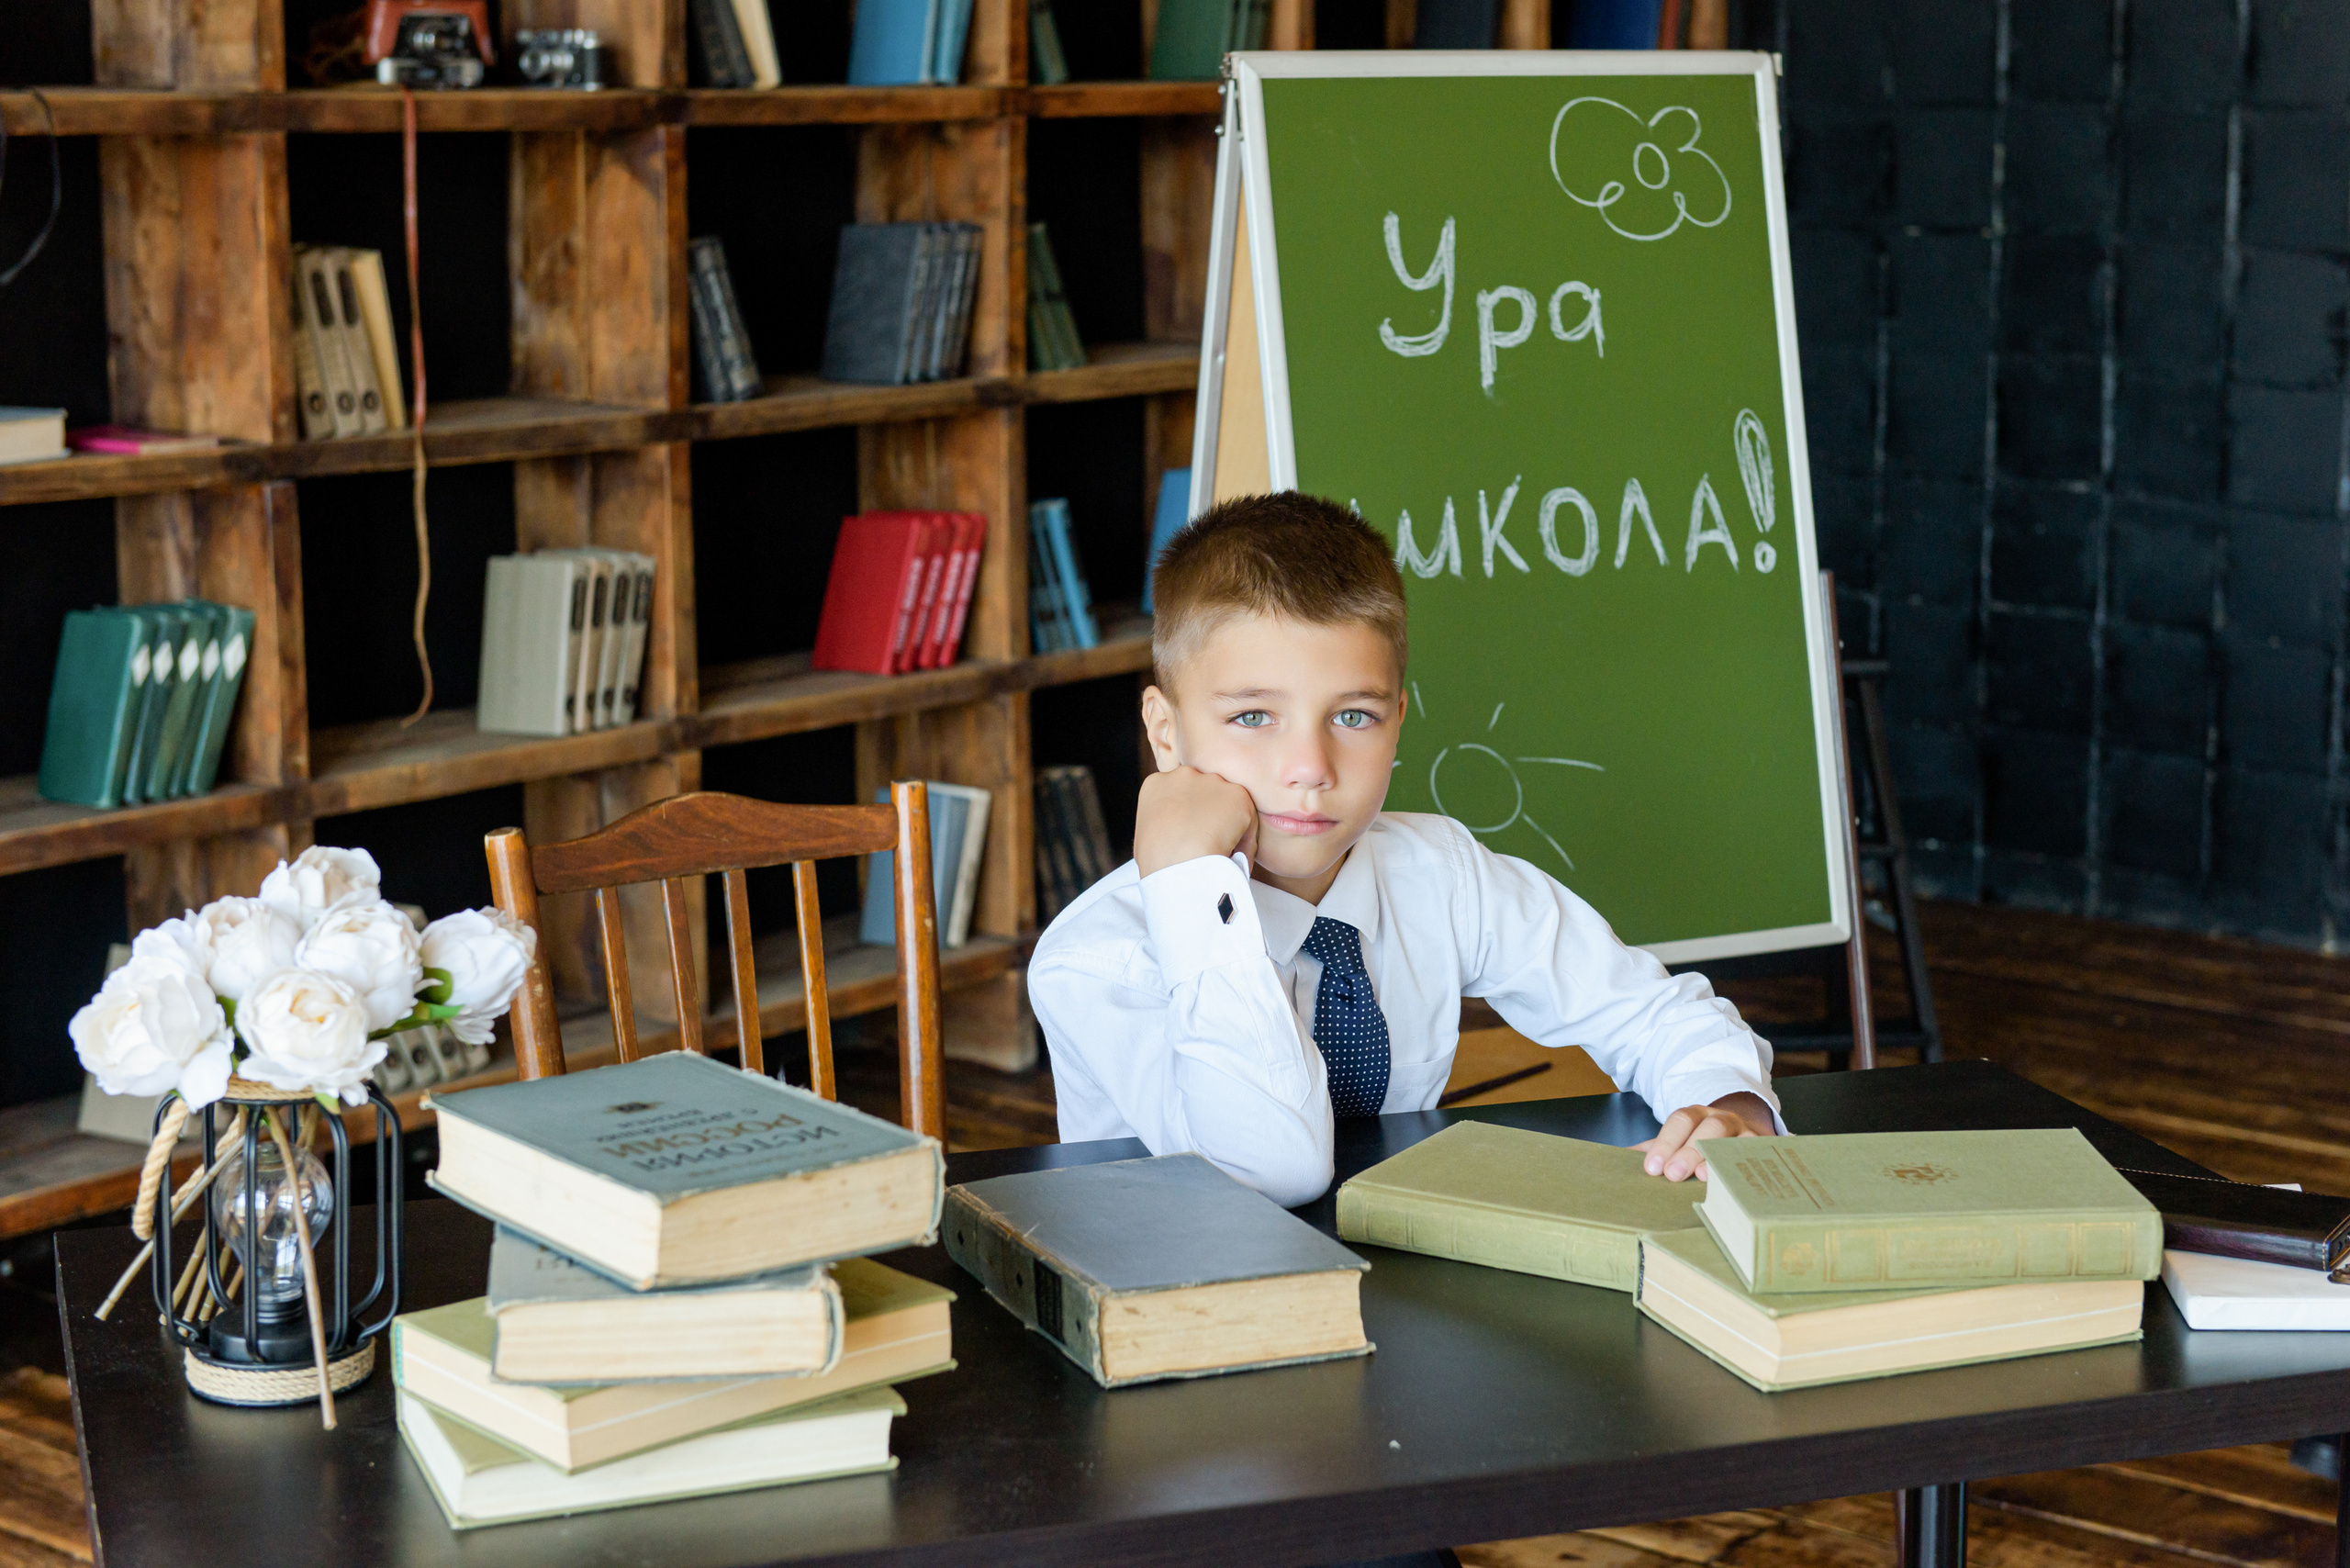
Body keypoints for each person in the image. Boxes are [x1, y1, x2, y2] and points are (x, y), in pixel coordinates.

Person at [1028, 491, 1781, 1209]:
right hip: (1182, 1304)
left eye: (1353, 716)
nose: (1311, 768)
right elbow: (1264, 1172)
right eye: (1254, 716)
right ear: (1166, 733)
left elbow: (1646, 1010)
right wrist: (1193, 887)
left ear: (1398, 722)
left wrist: (1729, 1101)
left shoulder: (1439, 874)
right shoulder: (1100, 960)